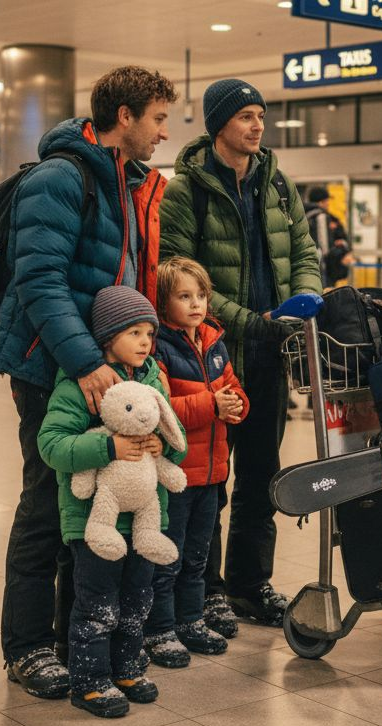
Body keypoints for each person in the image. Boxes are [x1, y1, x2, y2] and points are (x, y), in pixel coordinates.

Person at [0, 65, 176, 699]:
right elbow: (39, 281)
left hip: (104, 370)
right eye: (156, 118)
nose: (163, 131)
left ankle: (76, 637)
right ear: (123, 117)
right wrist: (85, 364)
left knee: (85, 510)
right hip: (52, 366)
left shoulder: (126, 180)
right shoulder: (61, 177)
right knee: (47, 504)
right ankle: (27, 646)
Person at [159, 77, 322, 630]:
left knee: (261, 476)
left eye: (261, 115)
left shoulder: (276, 185)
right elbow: (178, 275)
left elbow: (304, 249)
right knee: (208, 480)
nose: (258, 125)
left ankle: (252, 585)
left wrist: (303, 301)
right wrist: (252, 323)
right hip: (209, 359)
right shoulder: (186, 191)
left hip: (271, 355)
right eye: (247, 115)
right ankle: (205, 591)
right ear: (219, 124)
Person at [37, 285, 180, 718]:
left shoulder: (153, 378)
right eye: (134, 332)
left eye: (149, 333)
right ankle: (89, 679)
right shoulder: (81, 386)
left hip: (143, 521)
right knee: (97, 603)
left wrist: (163, 448)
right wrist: (109, 449)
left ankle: (127, 668)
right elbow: (52, 444)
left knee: (137, 600)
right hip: (92, 521)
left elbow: (177, 437)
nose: (144, 342)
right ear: (106, 337)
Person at [143, 257, 249, 667]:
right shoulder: (158, 349)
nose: (196, 304)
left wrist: (238, 404)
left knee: (197, 557)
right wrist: (211, 405)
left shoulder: (214, 341)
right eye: (184, 296)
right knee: (170, 554)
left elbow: (233, 387)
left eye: (201, 295)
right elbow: (161, 408)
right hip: (177, 475)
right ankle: (160, 629)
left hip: (212, 472)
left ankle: (190, 620)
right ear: (163, 302)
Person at [305, 187, 352, 288]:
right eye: (326, 201)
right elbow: (325, 249)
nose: (328, 204)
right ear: (321, 202)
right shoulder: (322, 216)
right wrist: (341, 248)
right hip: (324, 268)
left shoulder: (303, 216)